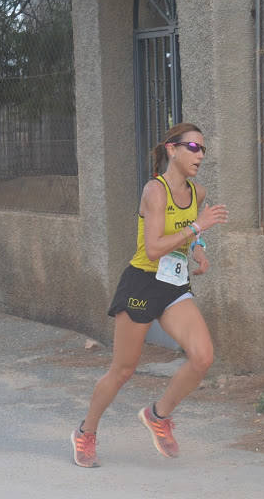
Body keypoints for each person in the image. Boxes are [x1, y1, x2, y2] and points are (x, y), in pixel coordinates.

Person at [71, 123, 229, 468]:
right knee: (123, 370)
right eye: (192, 147)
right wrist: (198, 227)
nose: (199, 155)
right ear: (172, 150)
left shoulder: (197, 193)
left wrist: (199, 249)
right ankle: (86, 431)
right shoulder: (154, 192)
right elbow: (155, 248)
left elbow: (189, 234)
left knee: (203, 357)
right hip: (142, 284)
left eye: (203, 149)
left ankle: (158, 415)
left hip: (173, 286)